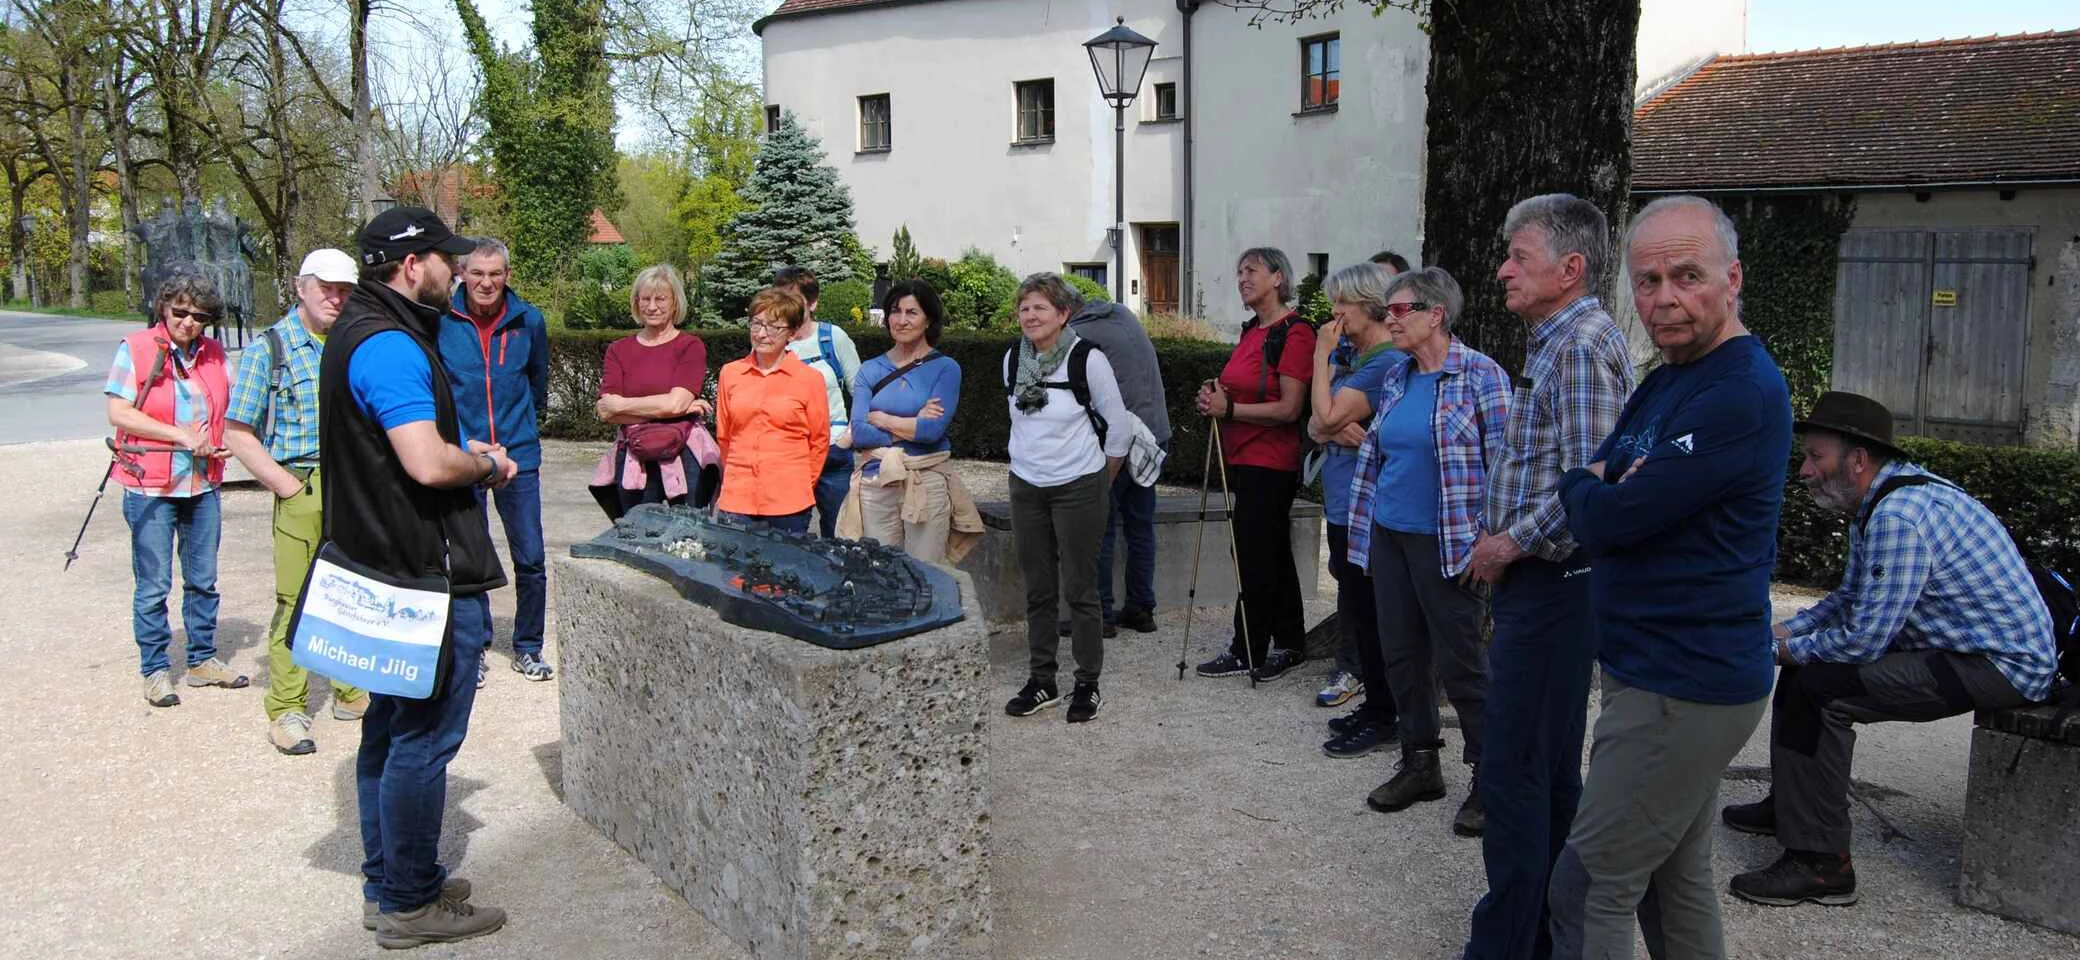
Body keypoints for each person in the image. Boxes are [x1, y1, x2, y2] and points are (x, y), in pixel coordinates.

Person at [1549, 195, 1791, 960]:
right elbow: (1608, 483)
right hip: (1659, 673)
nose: (1663, 299)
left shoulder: (1738, 391)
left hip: (1682, 682)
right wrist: (1604, 486)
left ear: (1733, 278)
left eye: (1687, 276)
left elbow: (1608, 514)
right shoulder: (1668, 377)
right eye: (1647, 281)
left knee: (1590, 888)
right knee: (1669, 881)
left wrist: (1598, 488)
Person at [1725, 391, 2058, 909]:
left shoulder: (1897, 517)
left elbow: (1863, 640)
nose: (1805, 471)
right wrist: (1784, 634)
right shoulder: (1880, 501)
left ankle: (1821, 864)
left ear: (1857, 460)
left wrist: (1770, 653)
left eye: (1816, 457)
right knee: (1807, 670)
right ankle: (1794, 807)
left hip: (2001, 667)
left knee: (1821, 689)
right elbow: (1852, 598)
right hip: (1965, 651)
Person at [324, 205, 510, 947]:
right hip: (421, 576)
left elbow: (401, 441)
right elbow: (427, 464)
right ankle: (408, 902)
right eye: (447, 259)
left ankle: (395, 883)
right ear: (412, 266)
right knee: (421, 742)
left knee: (387, 732)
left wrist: (459, 443)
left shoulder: (359, 330)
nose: (458, 271)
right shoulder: (392, 344)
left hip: (383, 565)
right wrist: (487, 465)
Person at [1462, 195, 1634, 960]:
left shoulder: (1581, 345)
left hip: (1556, 588)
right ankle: (1544, 930)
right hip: (1547, 587)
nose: (1502, 269)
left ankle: (1508, 944)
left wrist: (1509, 544)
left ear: (1570, 269)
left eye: (1518, 255)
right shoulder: (1559, 339)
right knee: (1545, 766)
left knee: (1514, 769)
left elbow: (1591, 487)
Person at [1344, 267, 1509, 836]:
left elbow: (1505, 469)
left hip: (1450, 541)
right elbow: (1387, 452)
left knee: (1463, 662)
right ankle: (1420, 764)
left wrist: (1489, 540)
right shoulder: (1398, 376)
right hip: (1389, 534)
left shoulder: (1481, 376)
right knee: (1401, 656)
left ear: (1435, 314)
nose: (1389, 318)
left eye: (1399, 309)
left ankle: (1491, 776)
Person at [225, 248, 367, 754]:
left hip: (355, 486)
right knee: (295, 600)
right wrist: (286, 486)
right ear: (300, 287)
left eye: (345, 289)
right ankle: (286, 708)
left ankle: (352, 691)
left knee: (354, 591)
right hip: (303, 481)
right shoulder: (271, 348)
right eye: (327, 287)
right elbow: (238, 432)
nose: (337, 297)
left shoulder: (354, 342)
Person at [107, 270, 247, 708]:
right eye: (180, 311)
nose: (188, 321)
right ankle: (154, 669)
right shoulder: (137, 348)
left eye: (199, 315)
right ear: (163, 307)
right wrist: (179, 435)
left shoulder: (214, 353)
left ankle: (202, 659)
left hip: (203, 482)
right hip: (150, 482)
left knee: (203, 579)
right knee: (153, 584)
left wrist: (220, 443)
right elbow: (119, 412)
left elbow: (228, 408)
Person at [1001, 273, 1133, 725]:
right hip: (1027, 486)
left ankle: (1087, 682)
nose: (1030, 316)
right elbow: (1020, 423)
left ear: (1063, 313)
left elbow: (1119, 427)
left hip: (1079, 485)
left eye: (1040, 307)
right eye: (1024, 308)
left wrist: (1101, 480)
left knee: (1081, 587)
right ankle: (1042, 679)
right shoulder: (1012, 360)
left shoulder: (1086, 359)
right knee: (1038, 589)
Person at [1193, 247, 1315, 683]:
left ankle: (1248, 647)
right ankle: (1288, 642)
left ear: (1278, 278)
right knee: (1270, 551)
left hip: (1270, 460)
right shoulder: (1252, 331)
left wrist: (1229, 411)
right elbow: (1238, 393)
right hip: (1242, 456)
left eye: (1252, 270)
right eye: (1239, 270)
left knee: (1254, 554)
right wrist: (1215, 397)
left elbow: (1288, 409)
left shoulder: (1295, 333)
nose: (1242, 278)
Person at [438, 237, 552, 685]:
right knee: (469, 557)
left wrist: (518, 433)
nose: (487, 283)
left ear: (508, 275)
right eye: (478, 273)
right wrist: (461, 442)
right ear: (462, 274)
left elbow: (537, 383)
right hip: (463, 455)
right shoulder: (441, 321)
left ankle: (528, 646)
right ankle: (477, 645)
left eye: (496, 273)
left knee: (531, 557)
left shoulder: (530, 321)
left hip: (518, 454)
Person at [1307, 262, 1408, 758]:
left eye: (1341, 305)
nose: (1335, 315)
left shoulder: (1381, 362)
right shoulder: (1366, 358)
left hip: (1367, 507)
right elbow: (1316, 425)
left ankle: (1385, 712)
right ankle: (1375, 707)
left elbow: (1323, 415)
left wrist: (1322, 355)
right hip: (1348, 501)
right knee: (1358, 606)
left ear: (1366, 306)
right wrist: (1327, 422)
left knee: (1370, 610)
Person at [837, 279, 982, 562]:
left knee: (926, 573)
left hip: (926, 481)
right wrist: (913, 423)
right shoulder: (870, 369)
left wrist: (882, 418)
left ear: (928, 319)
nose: (901, 320)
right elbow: (860, 433)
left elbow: (932, 431)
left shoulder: (945, 368)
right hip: (877, 482)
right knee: (880, 571)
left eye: (911, 312)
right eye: (895, 311)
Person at [1065, 286, 1171, 637]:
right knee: (1140, 525)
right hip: (1154, 434)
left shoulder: (1079, 334)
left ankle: (1100, 615)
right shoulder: (1122, 314)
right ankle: (1141, 609)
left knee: (1101, 526)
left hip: (1121, 440)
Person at [591, 264, 715, 518]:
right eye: (645, 299)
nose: (652, 306)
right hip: (634, 453)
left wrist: (624, 405)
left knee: (689, 533)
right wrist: (673, 408)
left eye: (660, 299)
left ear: (675, 303)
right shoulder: (618, 350)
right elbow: (606, 411)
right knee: (636, 534)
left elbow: (672, 404)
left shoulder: (690, 346)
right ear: (636, 303)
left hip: (685, 454)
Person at [714, 287, 829, 532]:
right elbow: (724, 436)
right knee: (734, 570)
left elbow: (819, 441)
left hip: (790, 501)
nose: (762, 334)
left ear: (792, 333)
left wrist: (801, 485)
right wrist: (735, 479)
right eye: (756, 324)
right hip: (738, 498)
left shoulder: (810, 379)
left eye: (774, 327)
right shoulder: (730, 373)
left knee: (785, 570)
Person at [774, 266, 862, 537]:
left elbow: (862, 391)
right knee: (787, 535)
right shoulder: (771, 340)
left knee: (838, 533)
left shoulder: (832, 338)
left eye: (794, 299)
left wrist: (848, 437)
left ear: (812, 303)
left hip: (833, 450)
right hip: (788, 454)